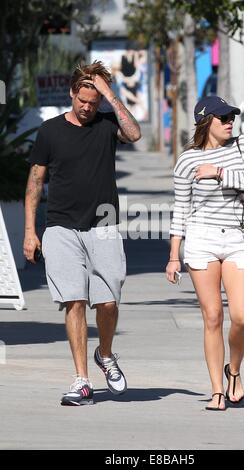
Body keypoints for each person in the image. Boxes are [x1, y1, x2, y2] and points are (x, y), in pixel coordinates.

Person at [23, 61, 141, 406]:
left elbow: (134, 134)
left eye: (95, 101)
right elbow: (35, 182)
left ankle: (105, 354)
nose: (88, 107)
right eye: (83, 100)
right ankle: (81, 380)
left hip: (104, 225)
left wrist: (110, 95)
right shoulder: (49, 131)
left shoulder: (107, 124)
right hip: (61, 225)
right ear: (72, 93)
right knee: (74, 300)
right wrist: (31, 232)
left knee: (107, 302)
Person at [166, 96, 244, 411]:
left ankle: (233, 370)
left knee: (242, 317)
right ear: (206, 121)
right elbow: (180, 209)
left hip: (237, 238)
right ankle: (216, 390)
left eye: (231, 116)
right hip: (201, 240)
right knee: (212, 317)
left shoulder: (243, 146)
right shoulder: (187, 161)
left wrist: (218, 172)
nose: (229, 122)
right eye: (222, 118)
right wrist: (173, 254)